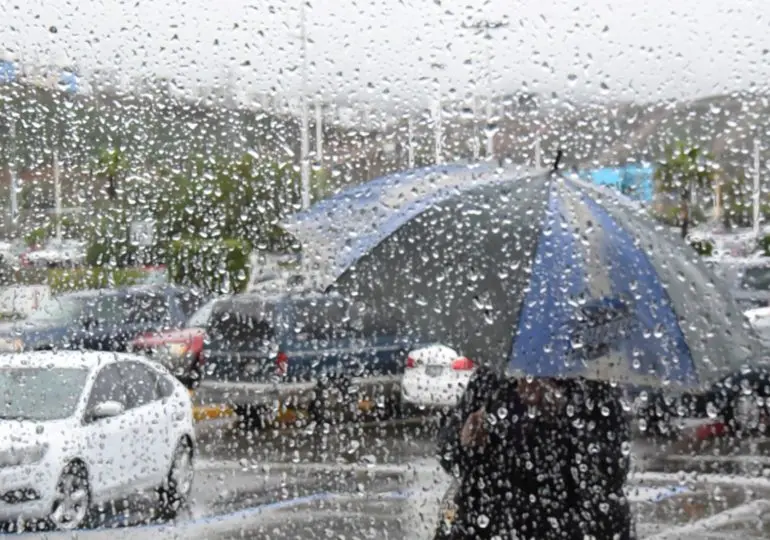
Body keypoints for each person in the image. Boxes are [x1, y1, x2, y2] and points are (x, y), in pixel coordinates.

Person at [433, 365, 636, 540]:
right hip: (492, 524)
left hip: (568, 527)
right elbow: (448, 454)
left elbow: (614, 470)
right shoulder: (492, 380)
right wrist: (464, 437)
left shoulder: (592, 388)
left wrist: (563, 417)